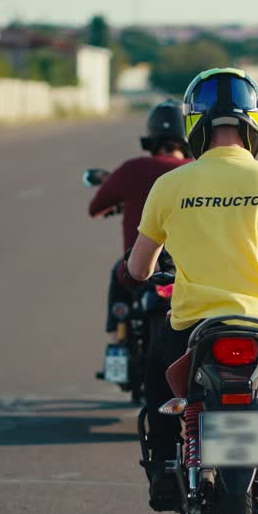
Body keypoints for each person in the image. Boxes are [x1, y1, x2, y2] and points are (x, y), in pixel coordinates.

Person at [126, 68, 258, 506]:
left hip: (192, 326)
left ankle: (165, 464)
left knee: (157, 378)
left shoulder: (170, 185)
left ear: (195, 124)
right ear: (254, 123)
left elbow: (140, 268)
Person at [88, 101, 192, 342]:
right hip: (190, 274)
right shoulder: (199, 171)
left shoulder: (131, 169)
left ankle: (117, 345)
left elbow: (95, 208)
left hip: (140, 272)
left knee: (119, 273)